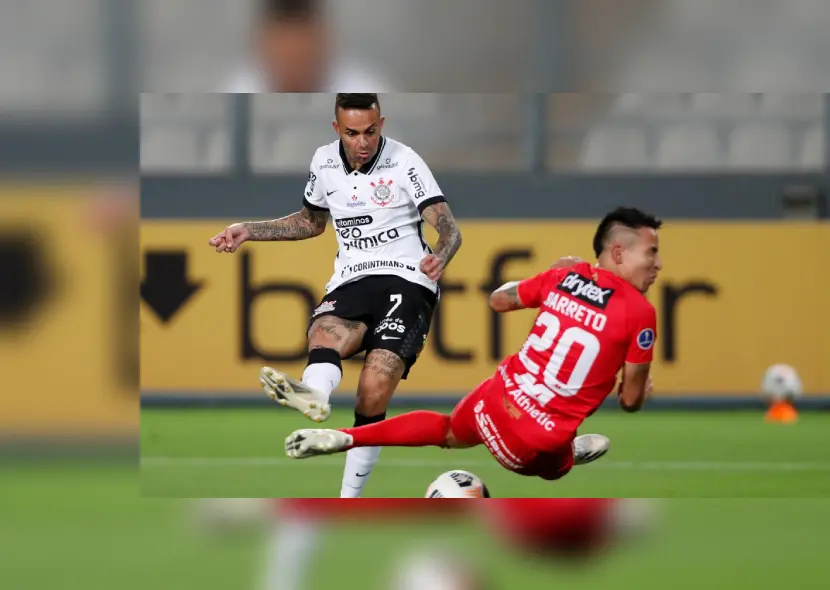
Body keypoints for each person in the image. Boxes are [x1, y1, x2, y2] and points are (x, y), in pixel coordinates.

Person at [283, 206, 661, 484]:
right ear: (618, 253)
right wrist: (640, 388)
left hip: (495, 400)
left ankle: (347, 436)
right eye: (652, 253)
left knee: (447, 430)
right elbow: (629, 401)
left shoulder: (566, 276)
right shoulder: (640, 313)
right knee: (555, 468)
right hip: (534, 444)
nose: (657, 264)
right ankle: (568, 455)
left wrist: (550, 275)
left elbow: (498, 300)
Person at [208, 93, 463, 498]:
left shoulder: (405, 161)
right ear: (336, 130)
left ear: (382, 123)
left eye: (371, 131)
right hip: (352, 276)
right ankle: (315, 396)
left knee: (374, 388)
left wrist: (442, 256)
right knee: (325, 332)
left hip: (408, 278)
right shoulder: (324, 162)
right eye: (353, 133)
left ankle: (348, 499)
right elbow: (311, 222)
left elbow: (448, 228)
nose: (363, 142)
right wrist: (248, 229)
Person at [224, 0, 391, 93]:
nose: (295, 71)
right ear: (261, 47)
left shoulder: (368, 90)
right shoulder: (236, 92)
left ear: (325, 42)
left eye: (302, 59)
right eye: (286, 60)